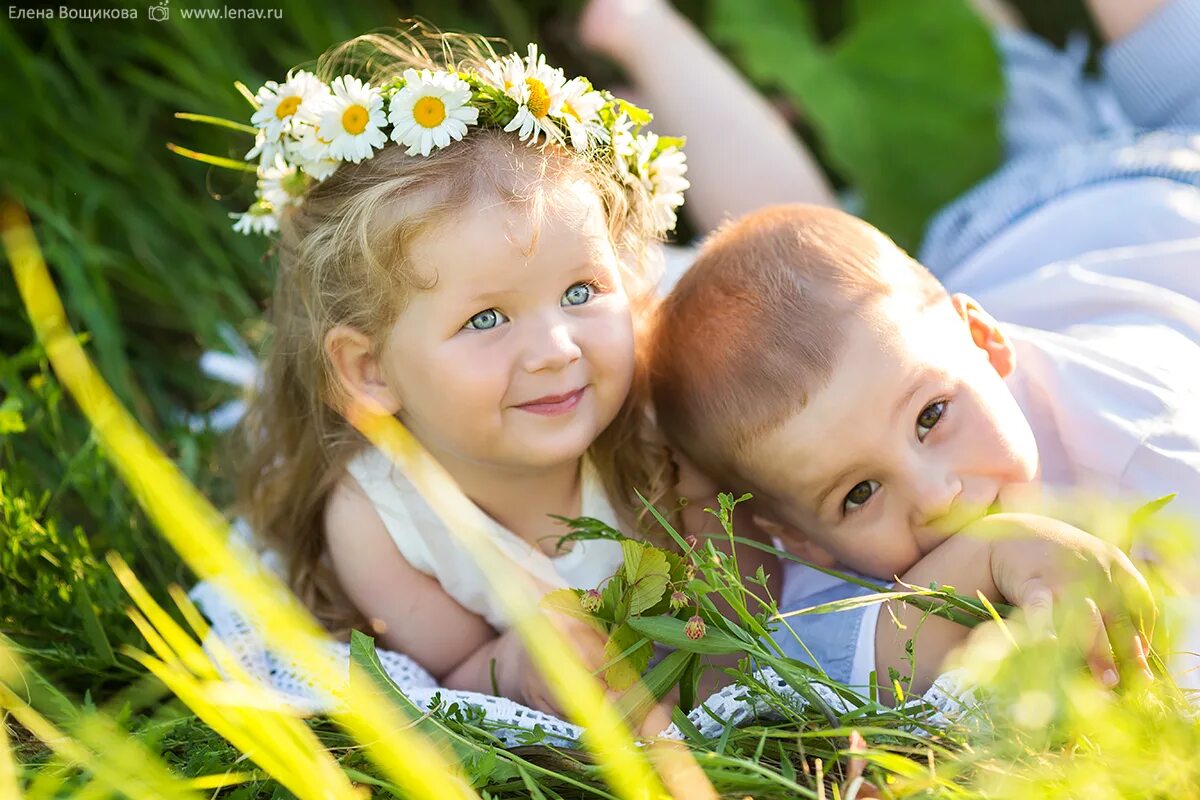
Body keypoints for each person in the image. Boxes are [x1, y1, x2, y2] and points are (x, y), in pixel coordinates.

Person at [219, 24, 1155, 722]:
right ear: (371, 371)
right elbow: (453, 674)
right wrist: (522, 668)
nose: (555, 348)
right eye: (487, 319)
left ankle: (666, 37)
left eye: (580, 292)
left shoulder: (669, 427)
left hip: (1058, 239)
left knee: (793, 255)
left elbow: (746, 608)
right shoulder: (378, 519)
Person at [637, 0, 1200, 692]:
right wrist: (980, 565)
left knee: (1148, 54)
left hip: (1158, 194)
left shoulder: (1145, 433)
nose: (936, 496)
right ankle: (637, 25)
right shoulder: (842, 517)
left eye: (932, 417)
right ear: (802, 540)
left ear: (985, 343)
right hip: (975, 245)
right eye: (860, 493)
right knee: (787, 264)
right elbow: (797, 660)